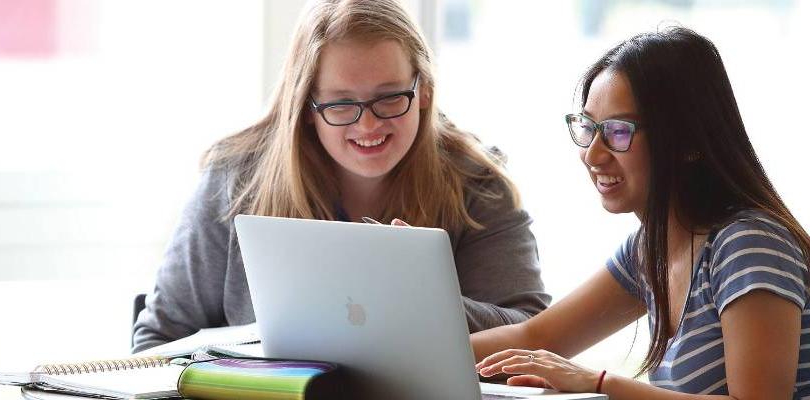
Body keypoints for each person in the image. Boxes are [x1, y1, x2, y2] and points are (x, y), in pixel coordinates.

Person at [131, 0, 550, 353]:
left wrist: (424, 296)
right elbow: (156, 342)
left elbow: (537, 334)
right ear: (306, 106)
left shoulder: (475, 181)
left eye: (389, 98)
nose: (368, 126)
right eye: (341, 104)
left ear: (423, 90)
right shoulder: (234, 180)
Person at [471, 27, 810, 399]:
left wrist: (601, 384)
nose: (593, 154)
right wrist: (406, 355)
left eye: (618, 131)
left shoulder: (749, 244)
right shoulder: (651, 249)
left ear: (689, 142)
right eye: (588, 127)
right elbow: (535, 337)